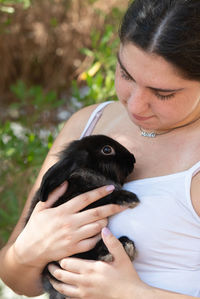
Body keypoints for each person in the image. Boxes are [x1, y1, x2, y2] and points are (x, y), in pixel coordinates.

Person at [1, 0, 200, 298]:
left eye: (163, 93)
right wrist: (28, 252)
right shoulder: (88, 124)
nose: (134, 105)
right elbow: (17, 278)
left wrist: (130, 293)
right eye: (126, 75)